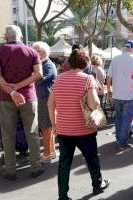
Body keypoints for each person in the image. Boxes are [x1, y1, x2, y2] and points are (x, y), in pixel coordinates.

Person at [48, 49, 110, 200]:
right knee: (91, 159)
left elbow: (50, 104)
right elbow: (94, 104)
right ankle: (97, 184)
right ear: (86, 63)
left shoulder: (59, 79)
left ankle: (63, 196)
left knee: (64, 163)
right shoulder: (88, 79)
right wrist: (93, 89)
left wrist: (54, 124)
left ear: (70, 62)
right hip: (84, 129)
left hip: (63, 129)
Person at [0, 25, 44, 180]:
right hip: (28, 96)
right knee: (32, 133)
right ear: (20, 36)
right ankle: (36, 167)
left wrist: (12, 90)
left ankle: (10, 170)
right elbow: (38, 74)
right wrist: (19, 87)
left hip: (6, 98)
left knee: (8, 134)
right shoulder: (32, 51)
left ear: (7, 36)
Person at [106, 40, 133, 150]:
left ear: (125, 48)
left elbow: (109, 77)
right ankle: (122, 142)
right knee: (127, 119)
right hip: (130, 94)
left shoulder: (115, 59)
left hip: (117, 94)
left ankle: (118, 139)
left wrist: (109, 90)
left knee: (118, 118)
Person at [33, 41, 58, 164]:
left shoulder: (48, 65)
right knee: (48, 128)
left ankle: (47, 154)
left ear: (44, 52)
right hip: (44, 100)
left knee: (45, 128)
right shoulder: (44, 64)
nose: (35, 53)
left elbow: (38, 79)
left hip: (45, 100)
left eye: (38, 51)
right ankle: (52, 152)